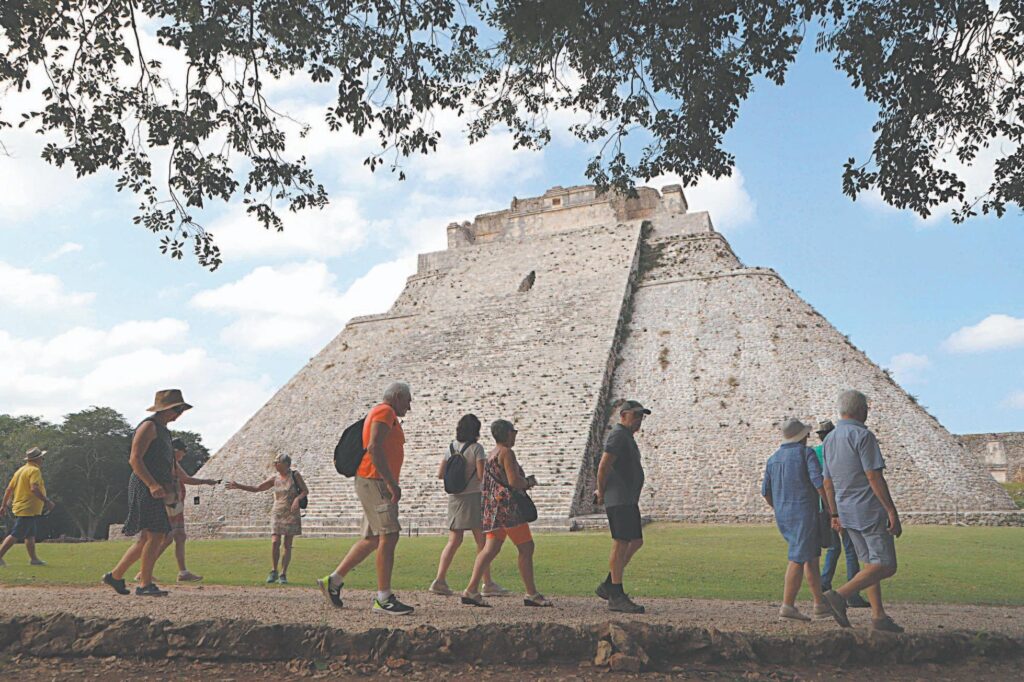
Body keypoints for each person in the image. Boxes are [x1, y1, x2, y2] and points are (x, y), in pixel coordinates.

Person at [317, 382, 415, 615]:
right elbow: (374, 447)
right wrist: (391, 483)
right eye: (408, 400)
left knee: (372, 538)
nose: (409, 407)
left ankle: (334, 581)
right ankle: (383, 598)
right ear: (398, 396)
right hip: (375, 481)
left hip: (372, 480)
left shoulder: (383, 413)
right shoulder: (385, 411)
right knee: (389, 534)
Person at [821, 390, 905, 633]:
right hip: (867, 508)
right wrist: (891, 510)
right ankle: (840, 595)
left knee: (869, 563)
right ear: (861, 410)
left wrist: (834, 514)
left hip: (846, 511)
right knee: (886, 565)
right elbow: (873, 475)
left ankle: (879, 616)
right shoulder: (863, 436)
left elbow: (827, 481)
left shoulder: (829, 440)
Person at [102, 389, 191, 597]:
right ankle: (144, 584)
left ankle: (115, 576)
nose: (179, 414)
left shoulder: (164, 431)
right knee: (156, 534)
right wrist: (151, 484)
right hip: (145, 485)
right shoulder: (149, 426)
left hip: (157, 486)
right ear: (166, 409)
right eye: (177, 409)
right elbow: (135, 459)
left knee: (146, 538)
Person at [460, 419, 552, 608]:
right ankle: (531, 593)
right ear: (508, 433)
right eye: (514, 431)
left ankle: (471, 589)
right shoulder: (506, 453)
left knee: (490, 549)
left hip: (493, 508)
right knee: (526, 548)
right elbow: (513, 481)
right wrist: (528, 482)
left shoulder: (492, 454)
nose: (515, 434)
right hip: (509, 509)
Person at [429, 414, 510, 597]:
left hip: (455, 498)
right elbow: (482, 476)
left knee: (453, 541)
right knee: (482, 543)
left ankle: (440, 580)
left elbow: (441, 474)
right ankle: (487, 583)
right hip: (473, 498)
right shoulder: (476, 449)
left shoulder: (450, 448)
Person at [762, 418, 829, 622]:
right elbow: (818, 482)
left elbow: (765, 492)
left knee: (810, 558)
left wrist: (779, 506)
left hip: (784, 515)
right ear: (803, 437)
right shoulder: (805, 453)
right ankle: (788, 605)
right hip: (804, 513)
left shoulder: (773, 459)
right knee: (798, 558)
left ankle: (820, 604)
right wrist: (829, 507)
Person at [137, 438, 218, 583]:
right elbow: (185, 479)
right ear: (176, 451)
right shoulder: (168, 463)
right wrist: (205, 481)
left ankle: (182, 572)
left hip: (175, 504)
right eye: (183, 452)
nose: (184, 455)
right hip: (170, 504)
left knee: (179, 537)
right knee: (166, 538)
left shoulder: (170, 462)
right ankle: (144, 571)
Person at [594, 400, 650, 614]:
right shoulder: (618, 435)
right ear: (624, 415)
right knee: (621, 543)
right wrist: (600, 491)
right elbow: (604, 465)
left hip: (627, 499)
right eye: (636, 415)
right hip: (619, 499)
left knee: (635, 541)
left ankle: (610, 583)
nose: (639, 420)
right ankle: (615, 594)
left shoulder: (625, 436)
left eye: (641, 416)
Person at [226, 453, 307, 583]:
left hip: (291, 512)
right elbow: (257, 488)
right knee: (275, 542)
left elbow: (305, 491)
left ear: (285, 464)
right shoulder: (274, 478)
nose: (275, 464)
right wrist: (238, 485)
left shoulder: (295, 475)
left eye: (277, 462)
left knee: (287, 544)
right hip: (277, 512)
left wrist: (297, 499)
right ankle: (273, 570)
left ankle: (283, 574)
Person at [814, 420, 869, 608]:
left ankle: (824, 583)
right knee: (851, 549)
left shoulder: (815, 453)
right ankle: (851, 593)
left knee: (833, 548)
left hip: (823, 508)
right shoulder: (838, 452)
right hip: (841, 506)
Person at [0, 447, 56, 567]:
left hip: (24, 507)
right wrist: (47, 501)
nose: (43, 459)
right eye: (42, 457)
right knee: (16, 534)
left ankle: (34, 559)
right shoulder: (34, 471)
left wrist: (3, 505)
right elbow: (34, 488)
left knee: (30, 534)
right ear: (37, 459)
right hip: (27, 508)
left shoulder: (21, 470)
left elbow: (9, 489)